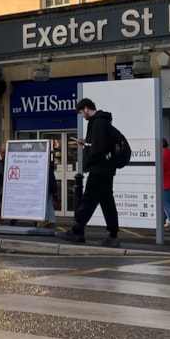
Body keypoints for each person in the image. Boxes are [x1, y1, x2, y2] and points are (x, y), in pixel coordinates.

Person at [58, 98, 121, 248]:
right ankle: (113, 236)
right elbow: (100, 144)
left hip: (99, 169)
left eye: (81, 113)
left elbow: (99, 148)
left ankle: (76, 231)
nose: (81, 116)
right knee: (107, 203)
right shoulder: (103, 122)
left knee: (88, 201)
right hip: (106, 169)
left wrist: (89, 162)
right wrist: (86, 143)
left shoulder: (98, 122)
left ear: (86, 109)